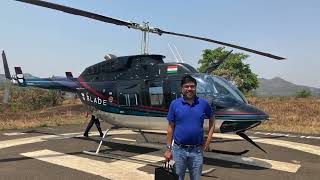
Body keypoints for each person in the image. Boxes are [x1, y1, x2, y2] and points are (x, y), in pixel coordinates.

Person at [164, 75, 215, 180]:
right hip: (178, 150)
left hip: (196, 151)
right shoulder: (175, 104)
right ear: (181, 89)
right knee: (177, 178)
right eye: (186, 86)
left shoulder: (203, 103)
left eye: (192, 86)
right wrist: (168, 149)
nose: (189, 89)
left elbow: (212, 120)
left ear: (196, 88)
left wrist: (208, 140)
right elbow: (170, 128)